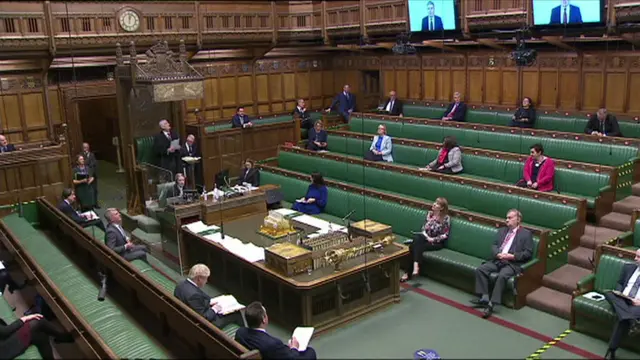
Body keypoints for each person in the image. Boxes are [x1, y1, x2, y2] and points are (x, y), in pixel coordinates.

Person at [470, 209, 533, 319]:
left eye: (510, 218)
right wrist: (498, 254)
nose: (506, 220)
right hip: (498, 260)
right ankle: (484, 297)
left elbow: (528, 253)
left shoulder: (526, 234)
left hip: (512, 263)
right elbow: (494, 245)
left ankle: (491, 304)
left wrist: (512, 256)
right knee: (481, 269)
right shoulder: (502, 231)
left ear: (518, 219)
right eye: (506, 218)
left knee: (502, 276)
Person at [235, 301, 317, 360]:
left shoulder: (240, 332)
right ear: (264, 319)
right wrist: (294, 348)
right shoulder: (272, 344)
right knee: (310, 352)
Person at [174, 264, 242, 329]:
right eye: (205, 279)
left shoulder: (180, 284)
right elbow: (204, 318)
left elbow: (195, 303)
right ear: (199, 279)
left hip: (185, 313)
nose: (206, 281)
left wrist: (209, 302)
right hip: (199, 322)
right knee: (236, 313)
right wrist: (215, 309)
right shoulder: (194, 295)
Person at [400, 198, 450, 282]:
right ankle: (415, 266)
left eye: (437, 204)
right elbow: (424, 228)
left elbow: (445, 234)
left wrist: (432, 239)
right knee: (417, 240)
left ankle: (408, 273)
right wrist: (426, 235)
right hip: (426, 239)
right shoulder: (430, 214)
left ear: (441, 208)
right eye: (434, 202)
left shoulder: (446, 218)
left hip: (437, 243)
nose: (434, 204)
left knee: (413, 246)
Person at [603, 249, 640, 360]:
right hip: (623, 299)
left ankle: (612, 349)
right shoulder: (629, 267)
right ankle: (633, 321)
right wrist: (621, 294)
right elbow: (619, 283)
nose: (635, 259)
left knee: (622, 319)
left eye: (638, 257)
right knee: (608, 293)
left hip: (637, 305)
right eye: (636, 256)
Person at [0, 313, 74, 359]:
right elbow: (5, 331)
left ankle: (60, 337)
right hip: (5, 348)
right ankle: (61, 337)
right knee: (37, 322)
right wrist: (24, 318)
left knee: (41, 335)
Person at [81, 142, 99, 208]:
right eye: (84, 147)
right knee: (87, 191)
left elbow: (94, 164)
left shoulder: (92, 155)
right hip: (86, 175)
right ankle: (89, 204)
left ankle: (96, 204)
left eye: (87, 147)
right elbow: (84, 164)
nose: (85, 149)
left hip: (93, 175)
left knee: (95, 190)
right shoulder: (81, 156)